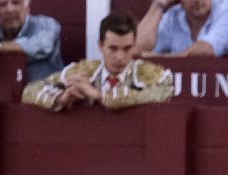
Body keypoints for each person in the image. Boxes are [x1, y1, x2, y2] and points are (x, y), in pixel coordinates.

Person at [24, 11, 175, 111]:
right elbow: (29, 91)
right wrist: (62, 98)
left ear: (134, 46)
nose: (120, 57)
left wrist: (100, 95)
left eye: (127, 48)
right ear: (101, 46)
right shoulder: (84, 71)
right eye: (113, 49)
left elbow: (164, 92)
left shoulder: (149, 74)